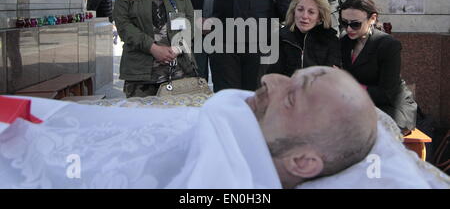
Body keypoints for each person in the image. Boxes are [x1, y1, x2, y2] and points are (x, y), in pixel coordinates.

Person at [2, 67, 448, 188]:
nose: (269, 81)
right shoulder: (234, 119)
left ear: (305, 161)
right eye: (290, 77)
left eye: (291, 95)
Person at [112, 0, 196, 98]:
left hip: (179, 71)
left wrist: (177, 48)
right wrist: (153, 48)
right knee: (142, 120)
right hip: (141, 74)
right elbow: (124, 27)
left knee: (177, 120)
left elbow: (189, 21)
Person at [339, 0, 417, 132]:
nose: (349, 28)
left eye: (355, 24)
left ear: (372, 18)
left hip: (392, 106)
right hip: (361, 105)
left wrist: (351, 87)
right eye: (344, 23)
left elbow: (387, 92)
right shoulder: (344, 41)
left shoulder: (388, 45)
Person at [266, 0, 341, 76]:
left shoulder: (331, 40)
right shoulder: (279, 37)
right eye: (300, 10)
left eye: (311, 12)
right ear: (294, 12)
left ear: (320, 17)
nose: (304, 16)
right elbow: (271, 74)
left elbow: (330, 76)